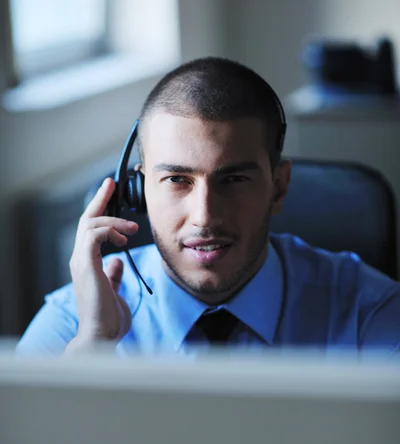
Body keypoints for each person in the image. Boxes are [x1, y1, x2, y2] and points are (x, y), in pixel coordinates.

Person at [17, 57, 400, 356]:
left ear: (278, 188)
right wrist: (93, 346)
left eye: (233, 180)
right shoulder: (73, 322)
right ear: (139, 191)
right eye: (176, 180)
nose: (205, 216)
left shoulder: (370, 312)